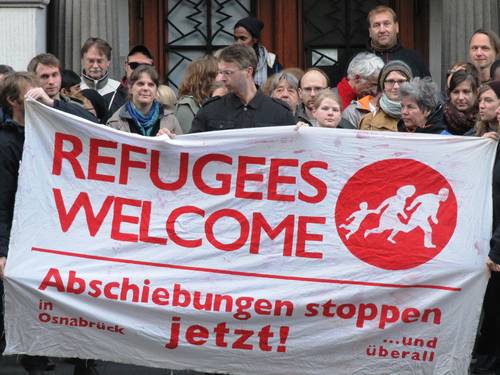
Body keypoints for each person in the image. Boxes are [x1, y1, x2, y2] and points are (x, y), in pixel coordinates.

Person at [0, 72, 100, 375]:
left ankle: (84, 357)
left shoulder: (53, 128)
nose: (39, 101)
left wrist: (53, 103)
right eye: (32, 97)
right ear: (13, 101)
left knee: (77, 294)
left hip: (63, 228)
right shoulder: (6, 144)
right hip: (26, 234)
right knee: (36, 300)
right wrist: (2, 250)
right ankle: (35, 358)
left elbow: (94, 128)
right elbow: (2, 201)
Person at [190, 44, 294, 133]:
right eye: (220, 72)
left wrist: (304, 132)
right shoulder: (210, 110)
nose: (220, 78)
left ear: (248, 72)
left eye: (227, 73)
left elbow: (294, 150)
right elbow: (191, 146)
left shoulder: (280, 112)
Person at [106, 65, 182, 136]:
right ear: (130, 88)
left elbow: (181, 147)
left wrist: (169, 142)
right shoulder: (115, 123)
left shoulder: (171, 119)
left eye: (151, 85)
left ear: (156, 90)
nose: (146, 88)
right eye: (141, 84)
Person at [26, 53, 97, 122]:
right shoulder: (26, 107)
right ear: (33, 79)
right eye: (44, 76)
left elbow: (94, 124)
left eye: (55, 75)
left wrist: (53, 103)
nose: (51, 81)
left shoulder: (75, 105)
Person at [364, 5, 430, 78]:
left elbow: (428, 88)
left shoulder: (414, 58)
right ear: (370, 31)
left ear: (397, 27)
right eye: (376, 25)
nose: (382, 30)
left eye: (386, 24)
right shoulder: (359, 61)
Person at [360, 60, 413, 132]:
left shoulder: (421, 119)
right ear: (383, 86)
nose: (396, 86)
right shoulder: (369, 122)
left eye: (401, 81)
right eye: (390, 81)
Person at [104, 44, 154, 116]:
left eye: (145, 66)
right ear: (126, 66)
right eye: (134, 65)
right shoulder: (108, 101)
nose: (139, 70)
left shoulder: (162, 98)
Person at [233, 16, 281, 88]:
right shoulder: (229, 60)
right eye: (235, 38)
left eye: (243, 38)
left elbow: (278, 86)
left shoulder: (270, 60)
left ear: (255, 39)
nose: (238, 43)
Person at [175, 55, 218, 133]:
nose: (222, 78)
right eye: (219, 74)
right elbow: (187, 140)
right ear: (206, 78)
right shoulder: (186, 105)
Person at [443, 70, 478, 135]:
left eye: (466, 92)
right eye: (456, 92)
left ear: (475, 93)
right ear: (449, 94)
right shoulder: (440, 120)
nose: (461, 97)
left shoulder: (485, 120)